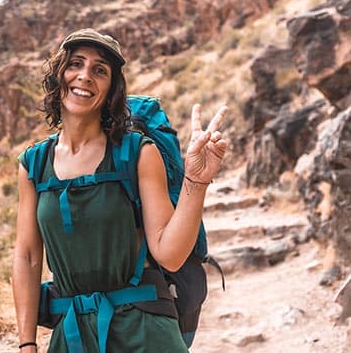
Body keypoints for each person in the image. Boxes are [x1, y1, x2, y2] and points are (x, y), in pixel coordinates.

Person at [12, 28, 228, 352]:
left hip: (145, 330)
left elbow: (169, 255)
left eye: (100, 70)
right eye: (76, 64)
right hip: (72, 336)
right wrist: (27, 344)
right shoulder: (34, 163)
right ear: (59, 75)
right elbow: (28, 256)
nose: (85, 76)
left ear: (111, 88)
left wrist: (196, 180)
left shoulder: (137, 153)